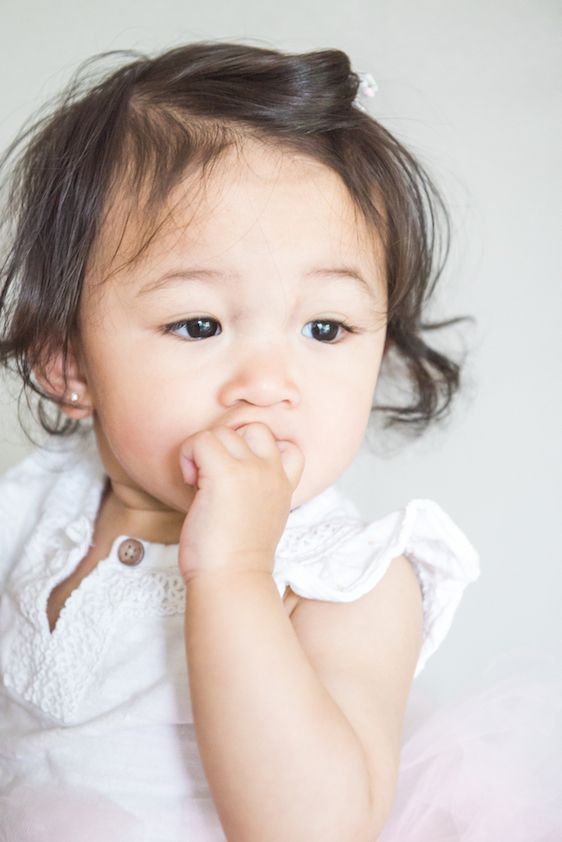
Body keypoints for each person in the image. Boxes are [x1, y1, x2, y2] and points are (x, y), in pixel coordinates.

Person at [0, 40, 559, 842]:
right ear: (68, 363)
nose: (268, 381)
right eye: (200, 324)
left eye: (325, 327)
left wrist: (233, 570)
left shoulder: (349, 578)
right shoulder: (36, 506)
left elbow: (315, 829)